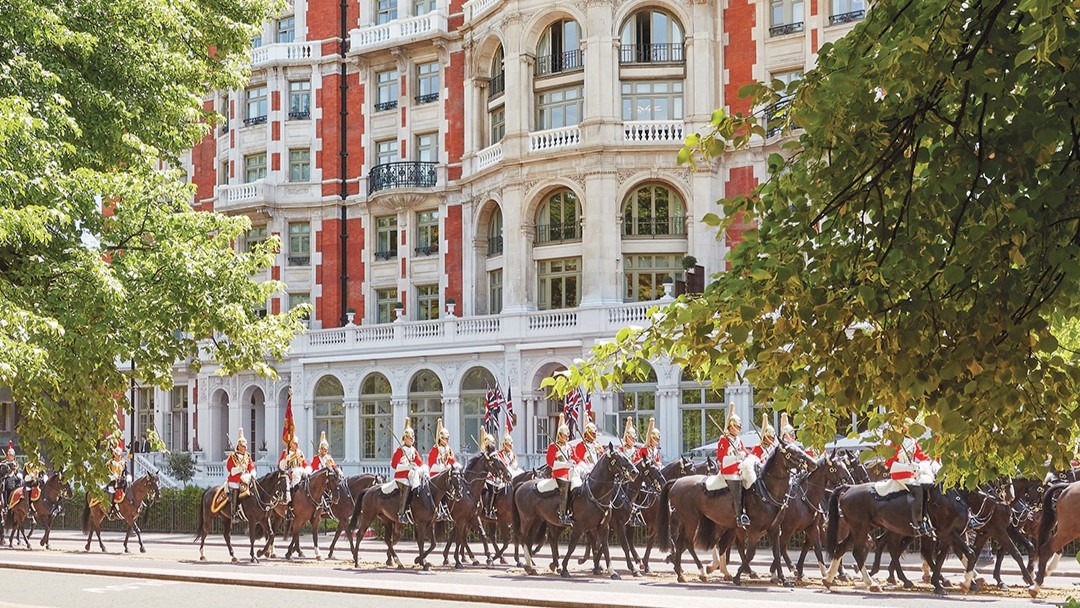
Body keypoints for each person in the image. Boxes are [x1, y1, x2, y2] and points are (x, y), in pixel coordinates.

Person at [884, 422, 934, 536]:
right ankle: (918, 523)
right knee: (918, 490)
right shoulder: (895, 444)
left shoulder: (912, 442)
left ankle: (927, 518)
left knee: (927, 486)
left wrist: (930, 462)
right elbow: (889, 464)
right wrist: (907, 467)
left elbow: (922, 456)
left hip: (912, 475)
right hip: (900, 475)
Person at [717, 403, 749, 528]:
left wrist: (752, 457)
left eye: (739, 426)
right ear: (730, 426)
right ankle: (739, 516)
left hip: (739, 470)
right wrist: (736, 457)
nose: (738, 428)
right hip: (729, 472)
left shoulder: (737, 440)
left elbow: (745, 451)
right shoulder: (724, 440)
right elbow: (721, 458)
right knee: (737, 487)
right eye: (736, 426)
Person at [391, 418, 424, 524]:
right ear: (405, 438)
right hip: (401, 476)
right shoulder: (400, 450)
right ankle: (401, 514)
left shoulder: (414, 450)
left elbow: (419, 462)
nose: (412, 439)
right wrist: (407, 467)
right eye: (410, 437)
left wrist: (424, 469)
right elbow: (394, 465)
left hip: (410, 475)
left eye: (413, 437)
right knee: (406, 487)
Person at [485, 424, 522, 519]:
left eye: (511, 444)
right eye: (508, 444)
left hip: (508, 475)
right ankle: (492, 508)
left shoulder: (512, 455)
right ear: (504, 445)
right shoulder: (499, 454)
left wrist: (514, 465)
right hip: (497, 476)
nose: (510, 446)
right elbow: (501, 465)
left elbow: (514, 464)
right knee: (494, 488)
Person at [546, 415, 574, 526]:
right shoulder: (554, 447)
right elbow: (550, 463)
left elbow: (574, 457)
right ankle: (562, 514)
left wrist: (574, 463)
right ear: (559, 435)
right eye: (565, 435)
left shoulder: (569, 447)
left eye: (567, 435)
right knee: (565, 486)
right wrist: (565, 464)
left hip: (569, 473)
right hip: (558, 474)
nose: (567, 437)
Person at [427, 418, 456, 522]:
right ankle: (438, 508)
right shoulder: (435, 449)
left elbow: (452, 460)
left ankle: (447, 508)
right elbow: (431, 463)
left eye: (447, 438)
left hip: (446, 475)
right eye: (445, 438)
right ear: (441, 438)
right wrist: (441, 468)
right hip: (436, 475)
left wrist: (456, 465)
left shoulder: (449, 449)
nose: (447, 440)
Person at [226, 428, 255, 523]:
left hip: (245, 479)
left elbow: (251, 467)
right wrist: (239, 468)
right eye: (243, 446)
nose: (245, 448)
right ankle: (233, 514)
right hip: (235, 479)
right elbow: (230, 469)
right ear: (238, 446)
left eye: (245, 446)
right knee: (235, 490)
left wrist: (252, 474)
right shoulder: (232, 456)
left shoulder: (248, 456)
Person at [278, 436, 310, 521]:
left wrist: (306, 469)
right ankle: (288, 509)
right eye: (295, 444)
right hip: (289, 475)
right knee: (287, 489)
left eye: (297, 444)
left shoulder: (300, 453)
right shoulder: (285, 453)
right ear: (290, 444)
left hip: (300, 474)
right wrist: (286, 459)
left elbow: (304, 464)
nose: (297, 445)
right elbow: (281, 466)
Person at [105, 437, 129, 519]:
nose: (119, 455)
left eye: (120, 454)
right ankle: (110, 511)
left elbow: (125, 471)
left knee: (129, 489)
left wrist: (127, 476)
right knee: (111, 492)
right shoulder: (110, 462)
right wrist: (112, 476)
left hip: (121, 481)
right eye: (117, 454)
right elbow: (107, 472)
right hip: (112, 481)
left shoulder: (123, 462)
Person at [1, 442, 19, 516]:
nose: (11, 456)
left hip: (14, 478)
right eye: (10, 455)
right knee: (4, 485)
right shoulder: (4, 463)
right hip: (6, 478)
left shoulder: (16, 463)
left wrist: (14, 469)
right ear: (7, 455)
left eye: (12, 455)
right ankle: (5, 505)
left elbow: (17, 471)